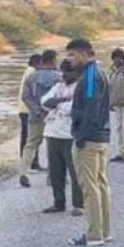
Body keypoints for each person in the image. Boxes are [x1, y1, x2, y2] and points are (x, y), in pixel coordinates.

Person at [66, 38, 112, 247]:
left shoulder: (91, 77)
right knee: (101, 185)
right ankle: (104, 231)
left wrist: (81, 136)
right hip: (100, 137)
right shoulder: (98, 73)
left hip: (90, 139)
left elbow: (92, 108)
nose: (70, 59)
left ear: (85, 54)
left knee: (90, 187)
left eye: (72, 55)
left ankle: (94, 234)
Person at [40, 59, 84, 216]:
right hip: (52, 133)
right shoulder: (58, 86)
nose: (64, 75)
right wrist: (62, 100)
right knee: (56, 172)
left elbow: (72, 109)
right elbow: (44, 101)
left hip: (69, 135)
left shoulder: (80, 88)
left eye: (68, 71)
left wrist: (56, 103)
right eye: (63, 71)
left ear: (77, 73)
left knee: (75, 172)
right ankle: (58, 202)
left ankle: (79, 204)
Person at [18, 50, 61, 187]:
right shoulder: (58, 77)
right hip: (53, 116)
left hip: (35, 116)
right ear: (53, 60)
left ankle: (23, 172)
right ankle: (52, 177)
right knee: (52, 146)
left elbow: (25, 96)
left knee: (30, 144)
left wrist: (36, 110)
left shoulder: (32, 76)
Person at [16, 54, 43, 171]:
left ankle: (30, 163)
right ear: (38, 63)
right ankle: (29, 164)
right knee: (30, 137)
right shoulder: (32, 73)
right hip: (28, 110)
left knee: (28, 137)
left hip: (24, 109)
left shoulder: (29, 71)